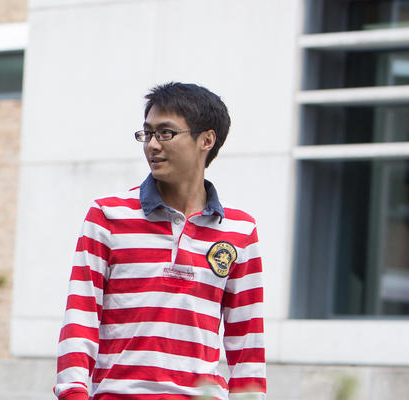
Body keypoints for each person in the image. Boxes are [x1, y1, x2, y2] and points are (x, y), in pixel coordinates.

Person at [54, 82, 266, 400]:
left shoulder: (240, 231)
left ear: (206, 139)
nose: (152, 145)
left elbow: (247, 341)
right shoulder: (107, 216)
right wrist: (72, 393)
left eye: (165, 133)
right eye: (147, 133)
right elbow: (81, 314)